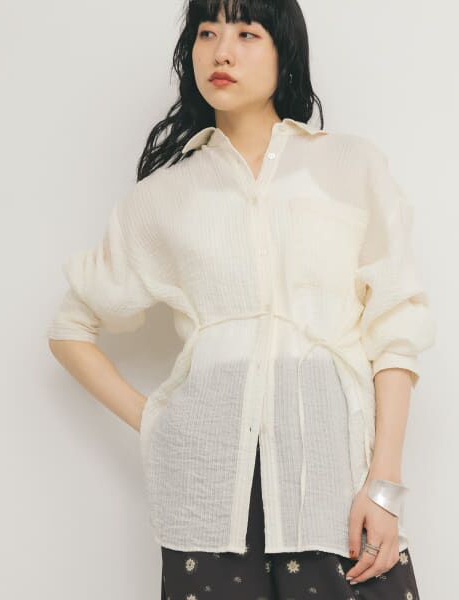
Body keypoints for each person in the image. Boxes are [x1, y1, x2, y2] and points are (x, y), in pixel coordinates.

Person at [47, 1, 436, 598]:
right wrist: (157, 423)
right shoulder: (166, 196)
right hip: (209, 498)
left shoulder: (348, 165)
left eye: (246, 33)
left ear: (285, 53)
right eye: (207, 33)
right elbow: (71, 327)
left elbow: (395, 327)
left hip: (334, 486)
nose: (221, 51)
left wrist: (383, 487)